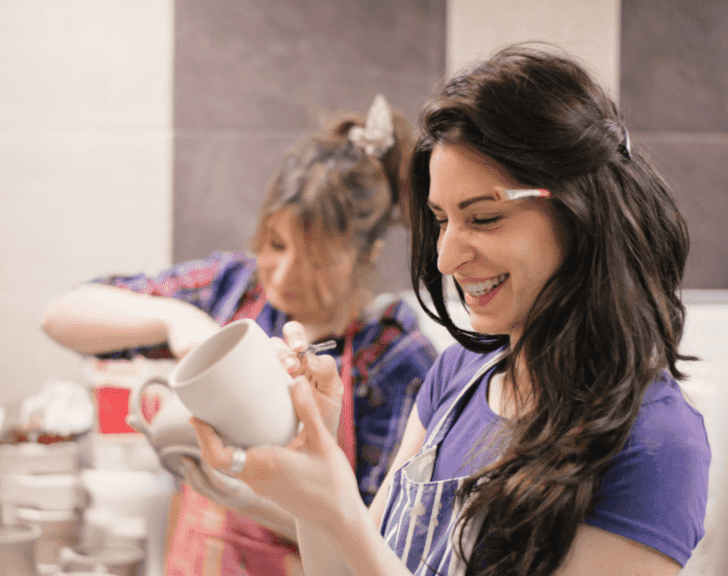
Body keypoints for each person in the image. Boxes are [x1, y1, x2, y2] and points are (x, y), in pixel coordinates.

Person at [191, 44, 712, 576]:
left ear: (580, 213)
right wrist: (313, 468)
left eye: (483, 218)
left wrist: (340, 509)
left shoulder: (657, 446)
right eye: (440, 219)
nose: (445, 257)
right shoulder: (457, 377)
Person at [41, 95, 438, 575]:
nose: (285, 273)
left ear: (367, 254)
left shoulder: (392, 355)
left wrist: (247, 497)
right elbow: (62, 316)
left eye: (315, 259)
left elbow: (378, 540)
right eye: (275, 244)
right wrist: (174, 319)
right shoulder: (233, 288)